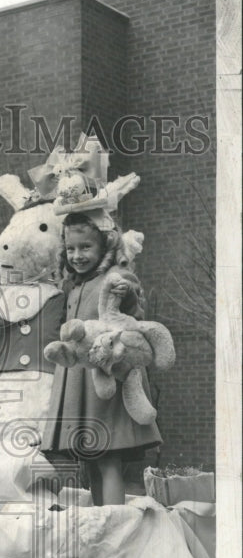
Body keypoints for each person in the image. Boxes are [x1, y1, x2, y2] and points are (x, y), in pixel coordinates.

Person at [40, 211, 161, 505]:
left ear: (105, 246)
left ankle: (116, 522)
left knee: (109, 456)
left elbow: (133, 314)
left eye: (85, 247)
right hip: (78, 382)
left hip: (107, 376)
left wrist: (127, 294)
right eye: (71, 249)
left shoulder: (116, 277)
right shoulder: (73, 285)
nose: (77, 255)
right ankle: (100, 517)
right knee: (91, 456)